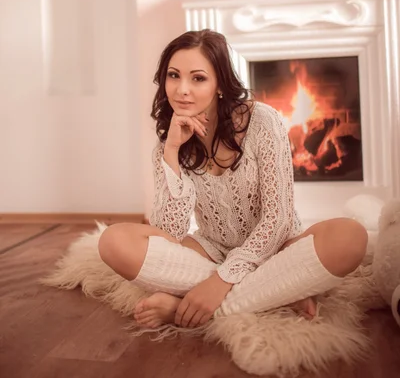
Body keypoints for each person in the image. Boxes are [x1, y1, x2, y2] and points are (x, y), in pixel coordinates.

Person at [98, 29, 368, 331]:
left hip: (277, 247)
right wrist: (171, 152)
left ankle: (187, 309)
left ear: (220, 86)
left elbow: (277, 219)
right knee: (113, 242)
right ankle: (272, 295)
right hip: (212, 248)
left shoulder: (263, 121)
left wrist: (222, 280)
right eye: (173, 75)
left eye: (198, 78)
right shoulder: (169, 143)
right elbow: (169, 232)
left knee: (350, 236)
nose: (182, 89)